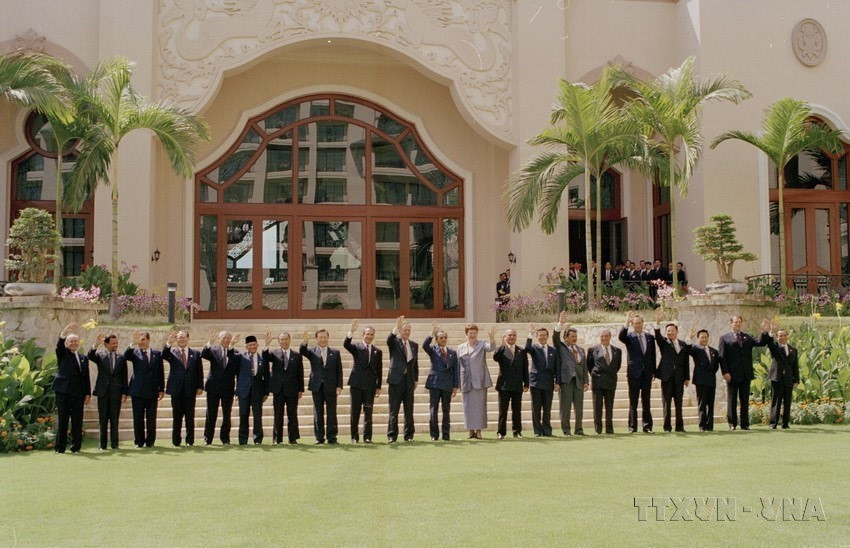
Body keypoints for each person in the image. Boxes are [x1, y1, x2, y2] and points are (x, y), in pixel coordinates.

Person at [718, 316, 769, 430]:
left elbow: (760, 343)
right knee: (732, 400)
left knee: (745, 400)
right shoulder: (724, 338)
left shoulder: (747, 336)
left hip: (746, 374)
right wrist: (725, 372)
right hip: (731, 374)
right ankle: (732, 424)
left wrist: (764, 331)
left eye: (740, 322)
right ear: (731, 323)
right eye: (736, 322)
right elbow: (722, 357)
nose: (738, 324)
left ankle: (745, 424)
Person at [53, 323, 92, 453]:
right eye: (71, 341)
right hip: (63, 392)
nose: (74, 343)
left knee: (77, 421)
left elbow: (86, 376)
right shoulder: (63, 354)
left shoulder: (83, 358)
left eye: (76, 341)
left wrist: (88, 393)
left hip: (78, 393)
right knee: (63, 420)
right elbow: (58, 346)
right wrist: (64, 332)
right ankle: (60, 448)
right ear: (67, 343)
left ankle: (76, 447)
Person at [300, 328, 343, 444]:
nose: (323, 339)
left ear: (328, 338)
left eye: (325, 337)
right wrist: (304, 342)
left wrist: (339, 386)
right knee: (318, 412)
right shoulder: (312, 351)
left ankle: (332, 437)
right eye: (320, 337)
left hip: (331, 386)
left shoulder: (335, 352)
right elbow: (302, 351)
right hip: (316, 386)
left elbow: (339, 370)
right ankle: (319, 437)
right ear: (316, 339)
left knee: (332, 413)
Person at [344, 320, 383, 443]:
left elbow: (379, 370)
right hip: (356, 384)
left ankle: (367, 437)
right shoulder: (356, 347)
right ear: (363, 335)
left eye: (371, 334)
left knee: (368, 412)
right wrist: (351, 332)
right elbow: (346, 345)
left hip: (370, 386)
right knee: (355, 411)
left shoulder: (378, 351)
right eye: (367, 334)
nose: (369, 336)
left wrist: (378, 386)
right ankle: (354, 437)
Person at [163, 329, 204, 447]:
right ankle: (176, 441)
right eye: (179, 337)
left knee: (190, 417)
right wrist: (169, 343)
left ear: (188, 339)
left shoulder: (195, 354)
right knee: (177, 417)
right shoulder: (172, 352)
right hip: (176, 389)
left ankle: (189, 441)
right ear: (176, 339)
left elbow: (199, 371)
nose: (181, 339)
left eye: (184, 337)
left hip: (190, 390)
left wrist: (200, 386)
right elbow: (164, 355)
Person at [262, 331, 304, 444]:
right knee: (278, 414)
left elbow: (300, 373)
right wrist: (266, 344)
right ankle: (277, 439)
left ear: (290, 340)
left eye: (286, 339)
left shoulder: (297, 355)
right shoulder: (274, 353)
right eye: (282, 340)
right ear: (279, 341)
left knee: (292, 414)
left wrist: (301, 389)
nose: (284, 341)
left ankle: (293, 438)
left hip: (292, 389)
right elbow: (264, 358)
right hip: (278, 389)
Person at [125, 331, 165, 448]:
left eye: (143, 339)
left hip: (152, 391)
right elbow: (126, 356)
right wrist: (133, 343)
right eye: (139, 340)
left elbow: (160, 372)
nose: (141, 342)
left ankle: (150, 442)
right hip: (137, 391)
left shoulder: (157, 354)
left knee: (151, 419)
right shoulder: (134, 353)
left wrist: (161, 389)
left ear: (148, 340)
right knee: (138, 418)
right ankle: (139, 441)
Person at [88, 333, 128, 450]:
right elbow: (90, 355)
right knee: (103, 419)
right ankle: (102, 445)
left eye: (116, 343)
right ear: (106, 344)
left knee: (115, 419)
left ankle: (115, 444)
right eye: (113, 343)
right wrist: (95, 344)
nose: (115, 345)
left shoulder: (121, 358)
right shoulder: (100, 356)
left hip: (116, 393)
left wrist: (124, 392)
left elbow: (124, 376)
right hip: (103, 392)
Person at [618, 311, 656, 433]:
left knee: (646, 401)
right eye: (635, 323)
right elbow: (621, 337)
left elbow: (652, 356)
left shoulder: (649, 338)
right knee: (633, 402)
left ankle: (647, 426)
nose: (637, 325)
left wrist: (653, 371)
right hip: (634, 374)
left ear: (643, 323)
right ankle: (632, 427)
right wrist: (626, 323)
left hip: (647, 374)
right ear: (633, 324)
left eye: (639, 323)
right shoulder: (629, 337)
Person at [652, 312, 691, 432]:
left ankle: (680, 427)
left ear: (676, 331)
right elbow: (657, 336)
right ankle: (667, 426)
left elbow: (686, 362)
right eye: (668, 331)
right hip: (667, 377)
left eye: (672, 330)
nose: (670, 332)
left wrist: (687, 377)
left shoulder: (683, 344)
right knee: (667, 403)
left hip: (679, 378)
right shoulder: (663, 342)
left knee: (678, 403)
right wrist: (658, 323)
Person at [456, 323, 495, 439]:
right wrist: (457, 382)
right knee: (467, 407)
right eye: (470, 333)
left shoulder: (482, 344)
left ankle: (478, 431)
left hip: (480, 380)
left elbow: (491, 348)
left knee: (480, 407)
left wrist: (492, 338)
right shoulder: (460, 347)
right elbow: (458, 365)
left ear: (477, 333)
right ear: (466, 334)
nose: (472, 335)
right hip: (466, 381)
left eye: (474, 333)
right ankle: (470, 430)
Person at [554, 312, 589, 436]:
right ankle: (566, 430)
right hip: (566, 381)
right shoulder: (561, 347)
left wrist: (586, 381)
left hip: (579, 382)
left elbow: (584, 367)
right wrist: (560, 323)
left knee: (579, 409)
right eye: (572, 336)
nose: (574, 338)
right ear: (566, 337)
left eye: (575, 336)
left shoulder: (580, 349)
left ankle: (579, 430)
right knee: (565, 408)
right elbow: (555, 337)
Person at [200, 329, 238, 445]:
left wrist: (231, 347)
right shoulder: (213, 350)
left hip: (228, 388)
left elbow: (235, 366)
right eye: (224, 338)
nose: (226, 340)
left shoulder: (235, 352)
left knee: (227, 415)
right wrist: (210, 342)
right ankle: (208, 439)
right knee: (211, 414)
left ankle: (225, 438)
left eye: (228, 338)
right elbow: (204, 355)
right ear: (220, 339)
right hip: (213, 387)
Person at [423, 323, 460, 441]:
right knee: (433, 410)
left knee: (446, 410)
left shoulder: (452, 353)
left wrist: (455, 386)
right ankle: (434, 435)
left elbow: (455, 370)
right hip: (435, 383)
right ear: (437, 339)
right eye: (440, 338)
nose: (443, 339)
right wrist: (431, 334)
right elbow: (424, 345)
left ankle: (446, 434)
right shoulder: (433, 350)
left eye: (445, 337)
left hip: (447, 385)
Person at [386, 316, 419, 443]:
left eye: (408, 330)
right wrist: (395, 328)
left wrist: (415, 379)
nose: (406, 332)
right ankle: (392, 436)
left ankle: (409, 435)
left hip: (409, 381)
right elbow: (389, 340)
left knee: (409, 409)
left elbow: (415, 364)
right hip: (396, 380)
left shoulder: (414, 345)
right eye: (404, 330)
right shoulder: (394, 343)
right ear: (400, 331)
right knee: (394, 409)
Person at [230, 335, 269, 444]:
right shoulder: (241, 356)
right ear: (246, 346)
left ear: (257, 345)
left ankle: (258, 439)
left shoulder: (262, 358)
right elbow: (230, 356)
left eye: (254, 344)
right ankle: (243, 439)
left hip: (258, 391)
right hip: (243, 391)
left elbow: (266, 376)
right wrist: (232, 344)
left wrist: (266, 392)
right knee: (243, 415)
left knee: (257, 416)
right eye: (250, 345)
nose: (252, 346)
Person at [493, 327, 530, 439]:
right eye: (509, 335)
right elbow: (495, 357)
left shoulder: (521, 351)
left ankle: (517, 431)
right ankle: (501, 432)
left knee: (517, 410)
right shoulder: (501, 349)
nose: (512, 337)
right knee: (503, 410)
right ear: (505, 337)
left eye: (514, 335)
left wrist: (526, 383)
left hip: (517, 385)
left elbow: (525, 369)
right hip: (504, 385)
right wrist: (502, 346)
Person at [763, 322, 800, 429]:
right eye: (780, 335)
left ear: (787, 336)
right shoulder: (774, 347)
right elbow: (769, 342)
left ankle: (785, 423)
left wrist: (796, 379)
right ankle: (773, 423)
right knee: (776, 401)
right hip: (777, 378)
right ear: (777, 337)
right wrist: (771, 332)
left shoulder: (793, 349)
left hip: (788, 379)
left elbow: (795, 366)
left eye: (784, 335)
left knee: (787, 402)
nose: (783, 337)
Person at [525, 325, 557, 437]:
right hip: (536, 382)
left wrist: (557, 382)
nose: (542, 337)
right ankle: (537, 431)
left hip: (548, 383)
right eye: (540, 335)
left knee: (547, 409)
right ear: (537, 337)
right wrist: (530, 335)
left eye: (544, 335)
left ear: (548, 336)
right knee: (536, 408)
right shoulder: (534, 348)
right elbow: (527, 348)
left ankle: (547, 431)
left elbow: (556, 367)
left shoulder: (553, 350)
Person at [587, 329, 621, 434]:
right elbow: (589, 365)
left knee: (609, 407)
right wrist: (595, 374)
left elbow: (617, 366)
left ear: (610, 337)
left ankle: (609, 428)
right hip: (598, 381)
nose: (604, 338)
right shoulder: (593, 350)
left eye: (606, 336)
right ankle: (598, 429)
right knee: (597, 407)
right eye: (602, 336)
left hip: (610, 381)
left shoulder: (617, 350)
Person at [687, 327, 721, 431]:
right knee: (702, 404)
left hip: (711, 380)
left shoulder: (714, 351)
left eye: (706, 337)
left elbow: (716, 366)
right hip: (700, 381)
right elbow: (688, 350)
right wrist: (689, 338)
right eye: (702, 337)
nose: (704, 339)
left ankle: (710, 426)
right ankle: (702, 426)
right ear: (698, 338)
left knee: (710, 404)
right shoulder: (696, 349)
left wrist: (710, 372)